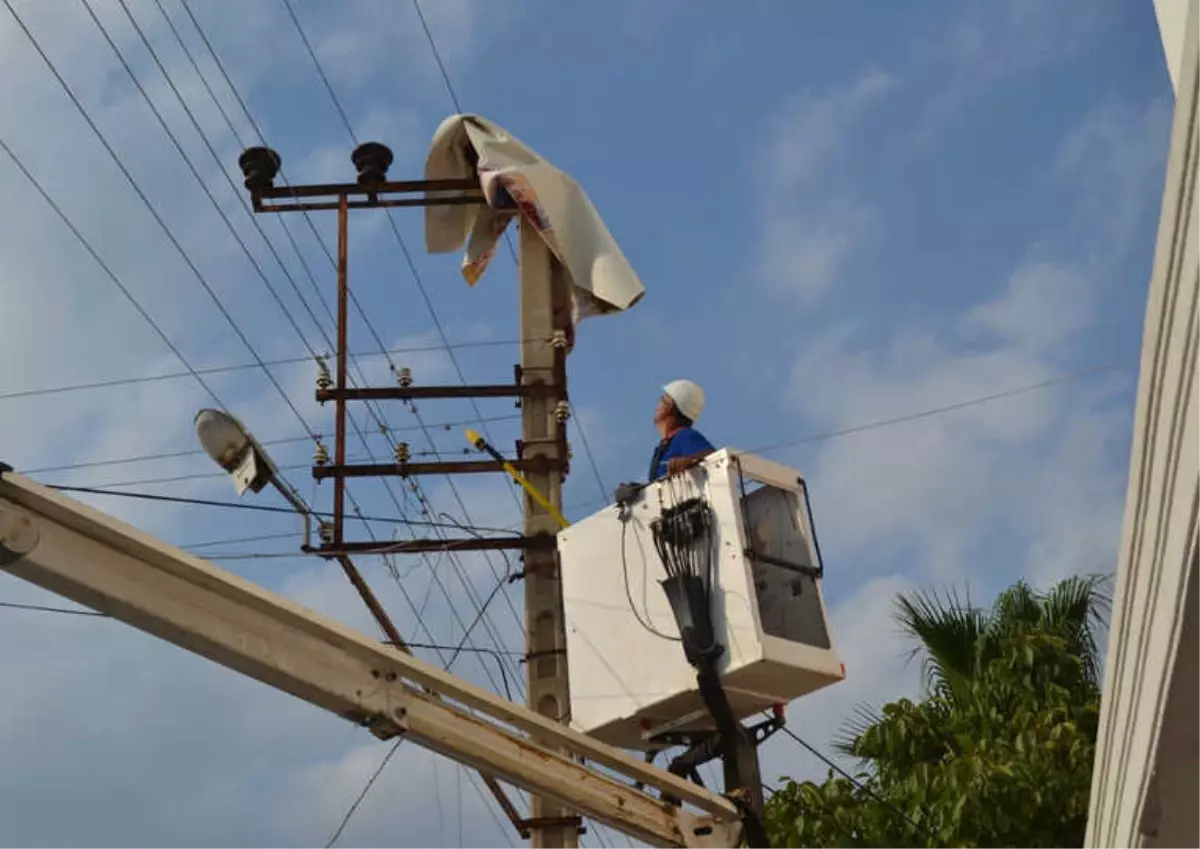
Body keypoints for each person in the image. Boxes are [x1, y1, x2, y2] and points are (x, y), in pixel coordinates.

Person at [648, 379, 715, 481]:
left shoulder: (684, 436)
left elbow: (713, 456)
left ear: (669, 406)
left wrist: (689, 461)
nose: (657, 405)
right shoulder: (664, 447)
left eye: (662, 399)